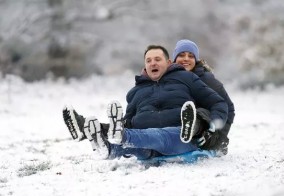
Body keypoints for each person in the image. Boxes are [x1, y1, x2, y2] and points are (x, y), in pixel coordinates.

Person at [63, 45, 228, 160]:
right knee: (138, 144)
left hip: (180, 138)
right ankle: (108, 148)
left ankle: (120, 137)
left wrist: (212, 126)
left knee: (158, 136)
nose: (153, 63)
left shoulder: (186, 78)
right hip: (147, 145)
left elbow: (218, 103)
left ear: (169, 63)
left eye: (157, 59)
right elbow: (127, 121)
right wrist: (118, 127)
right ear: (145, 65)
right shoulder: (136, 91)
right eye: (148, 60)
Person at [172, 39, 235, 154]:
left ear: (196, 60)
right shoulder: (169, 79)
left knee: (199, 111)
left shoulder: (207, 80)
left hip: (205, 129)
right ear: (174, 59)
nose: (186, 59)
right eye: (181, 55)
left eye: (191, 56)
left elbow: (228, 108)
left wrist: (219, 136)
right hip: (178, 127)